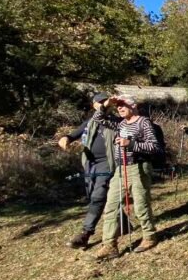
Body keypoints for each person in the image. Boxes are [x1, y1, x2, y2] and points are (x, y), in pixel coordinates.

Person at [93, 95, 161, 260]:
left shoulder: (143, 122)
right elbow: (98, 118)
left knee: (141, 205)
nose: (120, 108)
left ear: (133, 106)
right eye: (118, 107)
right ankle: (109, 245)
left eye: (123, 105)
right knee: (111, 206)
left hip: (138, 167)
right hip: (120, 169)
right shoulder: (120, 123)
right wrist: (107, 104)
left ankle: (149, 236)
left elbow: (154, 146)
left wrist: (130, 144)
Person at [57, 92, 126, 249]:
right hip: (89, 164)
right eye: (99, 102)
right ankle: (124, 223)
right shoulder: (89, 122)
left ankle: (85, 234)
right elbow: (74, 134)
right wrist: (66, 138)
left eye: (105, 101)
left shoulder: (116, 121)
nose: (103, 104)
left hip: (108, 164)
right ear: (93, 105)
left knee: (98, 196)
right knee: (97, 196)